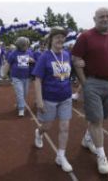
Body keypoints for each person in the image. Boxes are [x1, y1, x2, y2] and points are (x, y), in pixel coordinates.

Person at [72, 7, 108, 174]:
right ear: (94, 18)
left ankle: (88, 139)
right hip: (93, 84)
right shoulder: (86, 37)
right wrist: (85, 83)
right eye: (101, 16)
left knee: (101, 118)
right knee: (97, 120)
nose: (105, 19)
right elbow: (76, 58)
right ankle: (102, 157)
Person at [32, 27, 73, 172]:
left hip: (66, 98)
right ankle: (39, 132)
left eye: (62, 37)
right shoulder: (45, 56)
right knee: (47, 127)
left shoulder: (67, 55)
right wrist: (39, 100)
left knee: (64, 127)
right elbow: (37, 79)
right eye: (57, 37)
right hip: (49, 98)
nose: (60, 40)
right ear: (51, 40)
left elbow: (68, 74)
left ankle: (61, 156)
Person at [3, 37, 34, 116]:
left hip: (26, 77)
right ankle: (21, 109)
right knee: (20, 93)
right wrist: (4, 74)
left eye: (27, 45)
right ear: (20, 45)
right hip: (16, 77)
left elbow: (34, 62)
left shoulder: (30, 52)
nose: (26, 46)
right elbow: (7, 64)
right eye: (24, 45)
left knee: (25, 94)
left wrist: (31, 60)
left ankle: (18, 103)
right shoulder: (13, 53)